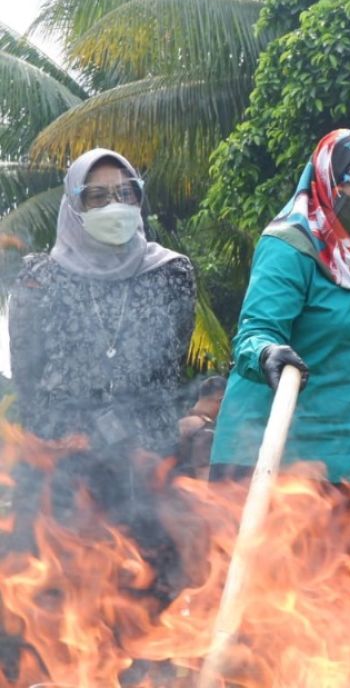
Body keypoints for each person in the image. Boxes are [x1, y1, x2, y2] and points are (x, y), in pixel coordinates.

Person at [4, 148, 196, 681]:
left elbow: (167, 372)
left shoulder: (172, 273)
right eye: (97, 195)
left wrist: (132, 431)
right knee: (60, 612)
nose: (114, 204)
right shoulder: (39, 280)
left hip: (147, 466)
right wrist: (83, 432)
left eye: (125, 192)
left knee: (146, 608)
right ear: (73, 204)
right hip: (65, 471)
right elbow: (30, 380)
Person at [209, 129, 350, 500]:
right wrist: (266, 353)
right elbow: (255, 333)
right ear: (330, 182)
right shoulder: (290, 246)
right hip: (276, 462)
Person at [177, 375, 227, 480]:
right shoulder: (205, 429)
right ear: (221, 400)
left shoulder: (181, 423)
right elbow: (203, 471)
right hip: (193, 492)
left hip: (172, 491)